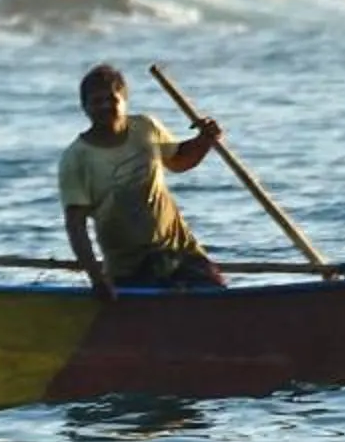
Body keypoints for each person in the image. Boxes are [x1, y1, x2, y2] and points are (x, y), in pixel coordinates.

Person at [58, 64, 228, 298]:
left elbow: (179, 161)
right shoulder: (76, 158)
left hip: (179, 250)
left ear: (124, 101)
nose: (105, 106)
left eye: (112, 99)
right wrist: (97, 278)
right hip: (130, 266)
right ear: (84, 107)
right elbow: (76, 225)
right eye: (97, 101)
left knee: (217, 300)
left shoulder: (146, 127)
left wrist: (205, 139)